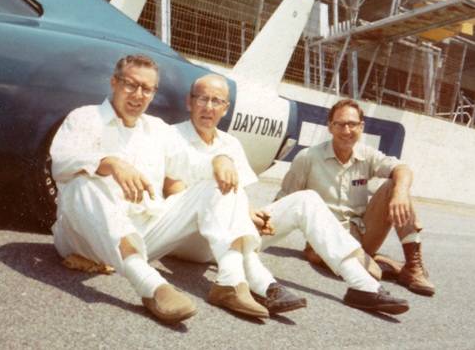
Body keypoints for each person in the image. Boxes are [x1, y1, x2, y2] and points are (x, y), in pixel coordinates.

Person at [50, 55, 303, 324]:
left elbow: (193, 167)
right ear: (114, 82)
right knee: (82, 182)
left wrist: (220, 160)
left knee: (216, 185)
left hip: (145, 233)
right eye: (130, 85)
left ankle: (230, 283)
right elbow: (62, 162)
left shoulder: (156, 130)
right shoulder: (86, 117)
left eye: (147, 89)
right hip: (85, 238)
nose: (138, 95)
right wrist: (108, 162)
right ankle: (152, 286)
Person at [167, 74, 409, 315]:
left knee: (307, 200)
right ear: (190, 102)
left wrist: (251, 214)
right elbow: (174, 193)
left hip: (232, 233)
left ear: (225, 108)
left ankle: (362, 286)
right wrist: (237, 215)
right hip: (190, 239)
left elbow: (239, 194)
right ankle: (263, 286)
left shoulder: (231, 144)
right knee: (227, 213)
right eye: (203, 99)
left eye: (216, 101)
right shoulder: (173, 137)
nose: (209, 107)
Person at [277, 98, 435, 297]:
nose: (346, 130)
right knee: (373, 273)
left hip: (362, 234)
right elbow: (284, 201)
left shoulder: (366, 154)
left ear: (361, 127)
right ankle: (381, 264)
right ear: (330, 127)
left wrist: (401, 192)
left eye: (352, 124)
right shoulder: (307, 158)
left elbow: (402, 168)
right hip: (325, 240)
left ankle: (413, 266)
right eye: (340, 124)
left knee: (396, 183)